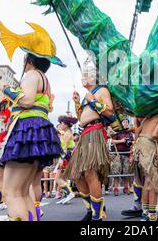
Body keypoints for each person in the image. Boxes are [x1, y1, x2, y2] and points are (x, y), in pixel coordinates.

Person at [0, 18, 65, 221]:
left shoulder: (32, 75)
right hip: (36, 130)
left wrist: (6, 88)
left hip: (27, 129)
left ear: (29, 59)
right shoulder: (44, 78)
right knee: (23, 193)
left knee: (12, 193)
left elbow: (27, 100)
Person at [66, 59, 120, 221]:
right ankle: (91, 209)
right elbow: (81, 118)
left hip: (95, 132)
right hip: (84, 133)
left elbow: (110, 113)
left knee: (90, 172)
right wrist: (77, 103)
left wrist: (92, 101)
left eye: (86, 75)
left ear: (94, 77)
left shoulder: (102, 90)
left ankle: (98, 215)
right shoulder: (87, 95)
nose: (83, 77)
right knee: (76, 174)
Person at [54, 115, 77, 205]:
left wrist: (61, 159)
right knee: (62, 178)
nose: (60, 125)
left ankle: (69, 193)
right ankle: (67, 195)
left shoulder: (67, 134)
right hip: (66, 155)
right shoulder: (66, 133)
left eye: (62, 123)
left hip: (66, 156)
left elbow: (64, 148)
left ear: (66, 125)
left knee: (57, 178)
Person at [110, 118, 133, 196]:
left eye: (127, 122)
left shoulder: (130, 133)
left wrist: (130, 142)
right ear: (121, 123)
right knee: (116, 171)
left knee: (126, 172)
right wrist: (121, 141)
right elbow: (111, 142)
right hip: (117, 155)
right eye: (124, 122)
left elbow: (133, 142)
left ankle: (126, 187)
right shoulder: (117, 132)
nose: (125, 123)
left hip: (126, 154)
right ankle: (115, 188)